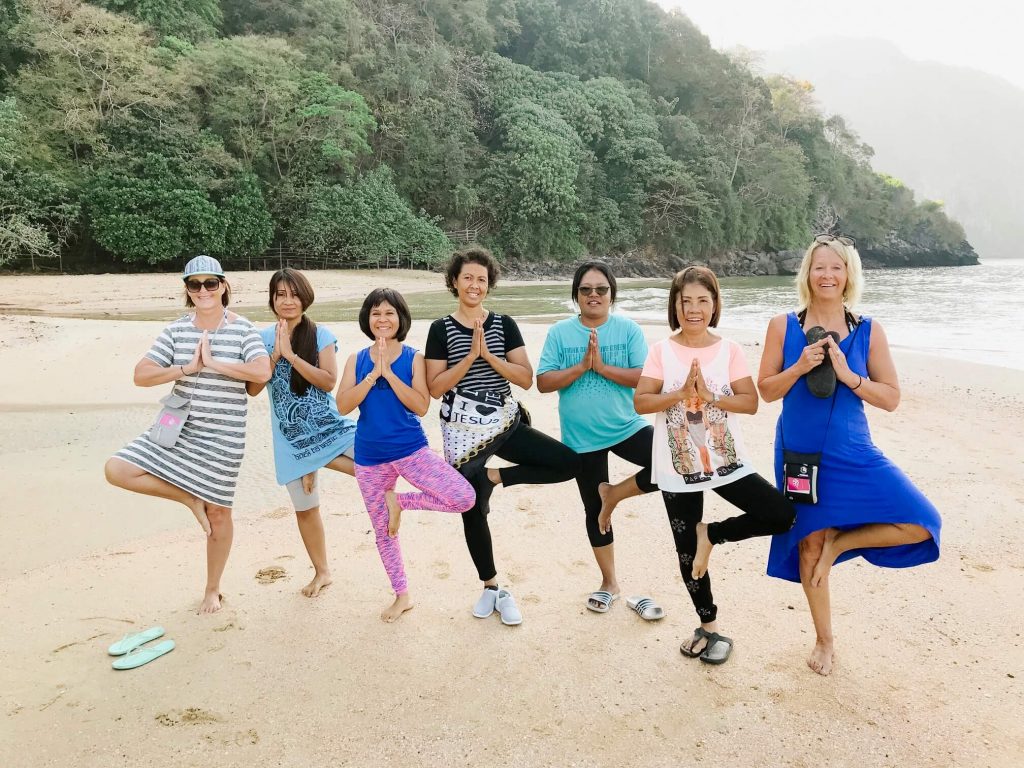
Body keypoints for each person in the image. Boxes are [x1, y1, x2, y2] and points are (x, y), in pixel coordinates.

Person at [757, 234, 941, 676]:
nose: (827, 275)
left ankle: (842, 541)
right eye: (819, 267)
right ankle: (824, 640)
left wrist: (848, 375)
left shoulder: (869, 330)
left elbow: (891, 398)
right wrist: (800, 366)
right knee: (807, 548)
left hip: (854, 452)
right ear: (807, 274)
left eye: (836, 268)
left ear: (848, 275)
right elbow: (765, 391)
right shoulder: (783, 326)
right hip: (798, 454)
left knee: (921, 521)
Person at [634, 266, 796, 664]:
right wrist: (679, 393)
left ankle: (714, 533)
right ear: (675, 305)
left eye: (702, 301)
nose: (693, 309)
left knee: (780, 513)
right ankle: (708, 628)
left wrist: (708, 395)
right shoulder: (662, 350)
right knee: (686, 553)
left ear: (714, 304)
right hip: (677, 466)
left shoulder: (729, 350)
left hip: (727, 461)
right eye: (685, 301)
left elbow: (750, 402)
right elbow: (641, 402)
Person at [104, 255, 271, 614]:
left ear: (224, 286)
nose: (203, 291)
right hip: (177, 428)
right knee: (117, 469)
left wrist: (213, 364)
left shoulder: (243, 329)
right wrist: (187, 367)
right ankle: (188, 499)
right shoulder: (176, 330)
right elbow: (141, 374)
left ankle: (212, 589)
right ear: (187, 290)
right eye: (195, 285)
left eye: (211, 283)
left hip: (224, 436)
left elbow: (261, 372)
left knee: (220, 515)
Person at [424, 247, 581, 626]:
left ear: (489, 284)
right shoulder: (440, 329)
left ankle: (494, 478)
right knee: (471, 509)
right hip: (461, 430)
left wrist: (489, 357)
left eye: (481, 279)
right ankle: (491, 585)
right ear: (454, 282)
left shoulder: (504, 324)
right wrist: (468, 357)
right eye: (467, 278)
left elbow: (525, 377)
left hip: (503, 422)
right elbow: (434, 387)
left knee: (568, 463)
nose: (474, 284)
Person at [337, 288, 475, 622]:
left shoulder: (414, 357)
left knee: (463, 497)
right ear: (367, 319)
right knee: (384, 533)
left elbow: (421, 404)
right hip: (369, 457)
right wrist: (373, 374)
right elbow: (343, 406)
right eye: (375, 313)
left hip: (410, 449)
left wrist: (388, 373)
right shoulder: (356, 360)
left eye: (389, 313)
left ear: (401, 318)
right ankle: (402, 596)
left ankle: (401, 503)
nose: (382, 319)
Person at [536, 261, 656, 614]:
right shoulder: (560, 333)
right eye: (586, 289)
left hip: (625, 426)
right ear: (575, 296)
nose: (593, 295)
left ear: (611, 295)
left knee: (671, 460)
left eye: (601, 289)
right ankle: (609, 582)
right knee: (594, 512)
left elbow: (645, 379)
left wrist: (602, 367)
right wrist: (581, 367)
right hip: (581, 437)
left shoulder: (628, 330)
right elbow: (543, 382)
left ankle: (615, 493)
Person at [246, 268, 357, 598]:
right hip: (290, 438)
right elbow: (253, 389)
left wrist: (291, 356)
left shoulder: (321, 334)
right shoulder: (262, 339)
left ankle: (317, 460)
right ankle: (322, 572)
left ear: (305, 297)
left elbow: (328, 381)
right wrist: (274, 355)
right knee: (306, 509)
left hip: (330, 427)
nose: (288, 301)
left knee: (375, 464)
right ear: (273, 300)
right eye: (280, 294)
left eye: (294, 294)